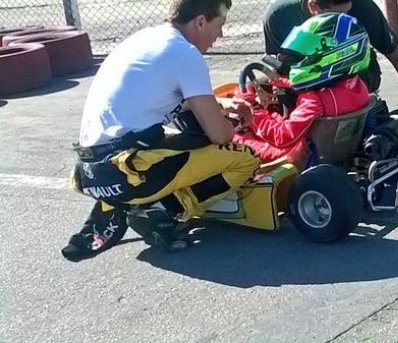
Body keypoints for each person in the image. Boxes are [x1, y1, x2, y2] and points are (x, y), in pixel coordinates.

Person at [61, 0, 260, 262]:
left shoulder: (143, 39)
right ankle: (161, 209)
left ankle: (126, 204)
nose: (220, 36)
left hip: (93, 172)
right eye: (219, 26)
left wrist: (219, 103)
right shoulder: (186, 54)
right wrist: (240, 120)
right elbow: (219, 135)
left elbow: (164, 97)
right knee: (244, 158)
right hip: (127, 173)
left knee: (180, 137)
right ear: (200, 21)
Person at [232, 12, 371, 164]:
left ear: (336, 55)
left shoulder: (314, 100)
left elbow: (281, 136)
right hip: (335, 152)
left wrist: (253, 111)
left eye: (307, 54)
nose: (301, 59)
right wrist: (287, 83)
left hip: (295, 158)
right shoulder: (358, 86)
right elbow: (323, 91)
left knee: (230, 139)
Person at [263, 0, 398, 106]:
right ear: (314, 6)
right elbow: (275, 68)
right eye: (338, 15)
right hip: (302, 77)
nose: (346, 18)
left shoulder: (363, 8)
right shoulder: (279, 16)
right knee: (262, 86)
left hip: (354, 75)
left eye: (348, 12)